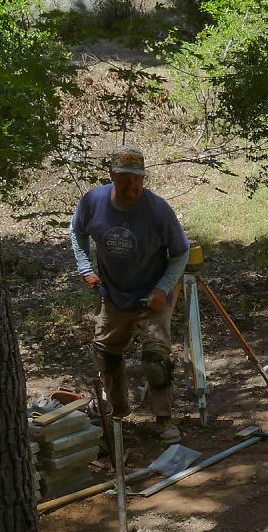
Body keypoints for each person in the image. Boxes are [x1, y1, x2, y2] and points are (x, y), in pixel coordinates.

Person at [70, 147, 191, 441]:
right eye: (125, 180)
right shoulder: (93, 202)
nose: (132, 186)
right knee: (106, 356)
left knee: (156, 361)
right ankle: (118, 413)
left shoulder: (158, 210)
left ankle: (163, 419)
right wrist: (85, 268)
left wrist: (163, 288)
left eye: (138, 180)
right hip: (112, 294)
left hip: (152, 295)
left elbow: (181, 252)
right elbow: (77, 232)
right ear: (112, 176)